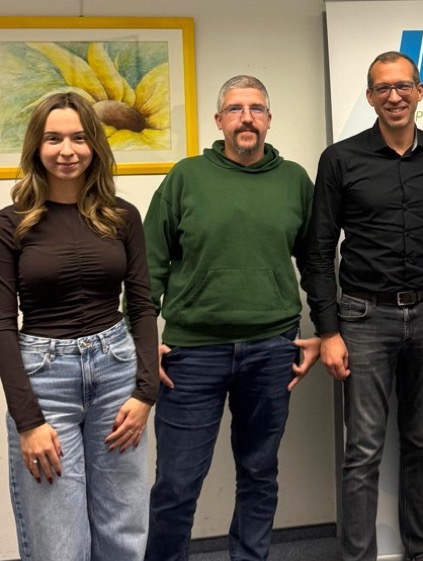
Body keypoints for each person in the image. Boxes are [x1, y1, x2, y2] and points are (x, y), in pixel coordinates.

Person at [143, 75, 320, 561]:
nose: (247, 117)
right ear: (219, 120)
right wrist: (140, 342)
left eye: (256, 108)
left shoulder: (294, 181)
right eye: (236, 109)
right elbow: (150, 262)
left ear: (268, 119)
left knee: (259, 473)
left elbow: (315, 261)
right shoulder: (186, 176)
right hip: (192, 353)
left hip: (271, 347)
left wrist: (324, 331)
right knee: (177, 483)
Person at [305, 51, 423, 561]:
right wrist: (328, 331)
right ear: (370, 96)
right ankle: (358, 557)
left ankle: (420, 551)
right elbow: (319, 248)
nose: (393, 97)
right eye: (382, 88)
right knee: (363, 450)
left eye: (403, 87)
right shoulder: (340, 159)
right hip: (363, 319)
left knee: (421, 441)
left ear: (420, 92)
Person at [0, 92, 158, 560]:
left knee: (123, 535)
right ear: (36, 147)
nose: (67, 150)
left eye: (78, 137)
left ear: (94, 146)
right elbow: (3, 324)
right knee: (60, 545)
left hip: (116, 374)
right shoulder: (12, 224)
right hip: (44, 380)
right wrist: (28, 421)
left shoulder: (122, 216)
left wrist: (144, 392)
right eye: (54, 138)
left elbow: (143, 307)